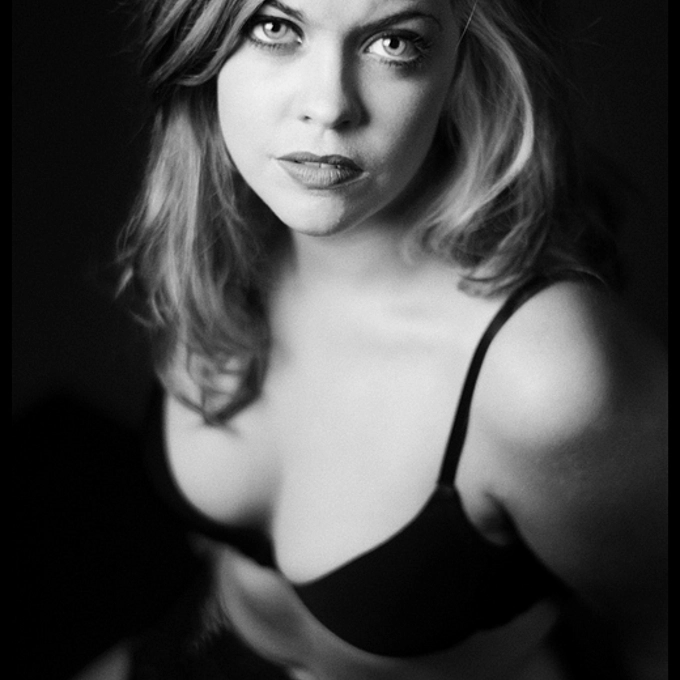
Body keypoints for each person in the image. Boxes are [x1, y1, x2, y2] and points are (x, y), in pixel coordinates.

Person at [75, 0, 667, 678]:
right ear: (201, 38)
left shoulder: (549, 376)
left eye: (394, 43)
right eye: (275, 27)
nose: (329, 107)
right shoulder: (218, 240)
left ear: (462, 64)